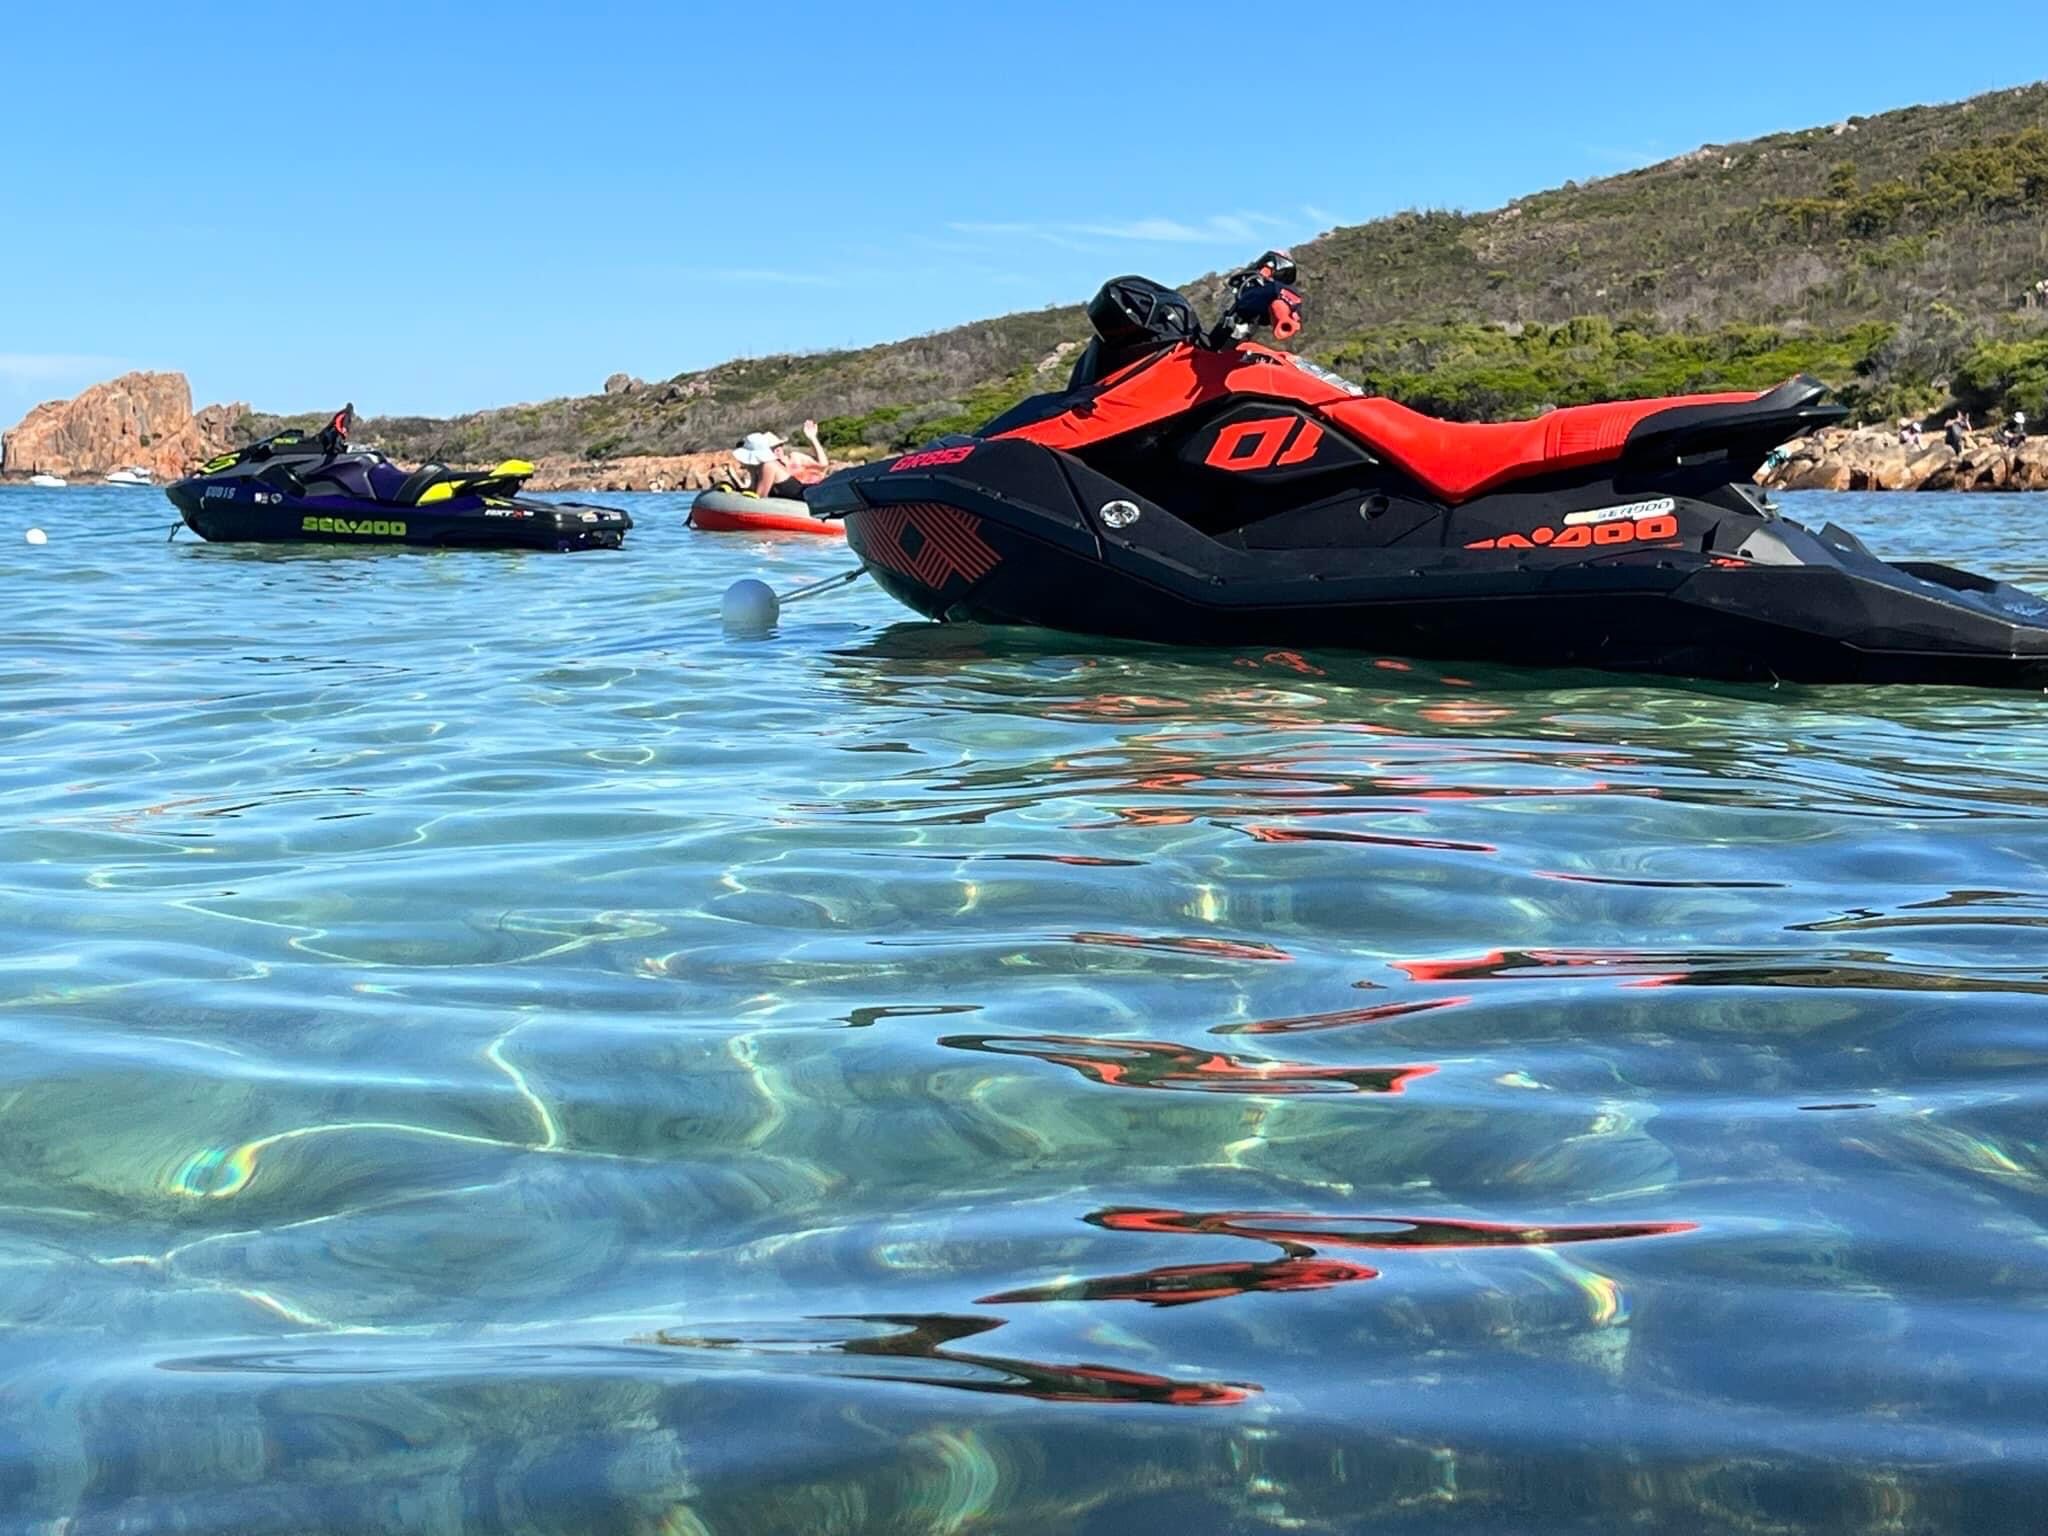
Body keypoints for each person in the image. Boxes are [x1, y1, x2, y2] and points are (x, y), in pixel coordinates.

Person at [731, 419, 832, 500]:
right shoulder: (763, 467)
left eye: (778, 446)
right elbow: (753, 491)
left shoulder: (772, 465)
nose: (777, 450)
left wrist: (812, 438)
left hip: (809, 495)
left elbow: (759, 496)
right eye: (773, 448)